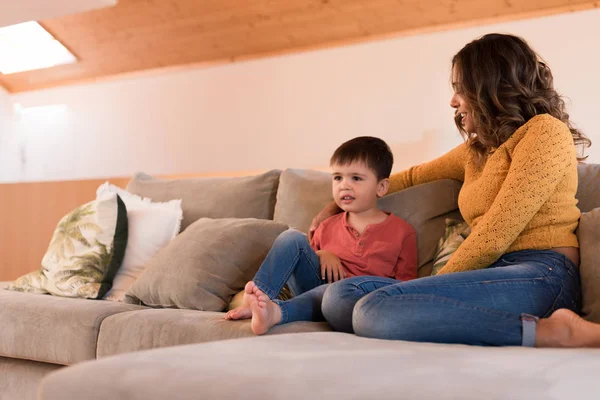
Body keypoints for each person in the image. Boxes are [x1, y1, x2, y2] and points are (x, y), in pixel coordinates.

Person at [312, 33, 600, 348]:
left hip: (542, 273)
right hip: (490, 273)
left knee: (373, 311)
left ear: (488, 85)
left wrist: (431, 287)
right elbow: (409, 177)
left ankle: (555, 331)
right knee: (339, 298)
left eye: (460, 90)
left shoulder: (544, 132)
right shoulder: (475, 151)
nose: (453, 102)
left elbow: (495, 235)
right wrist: (334, 206)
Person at [225, 136, 418, 335]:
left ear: (382, 187)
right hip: (312, 296)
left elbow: (405, 288)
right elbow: (305, 261)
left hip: (356, 302)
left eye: (356, 178)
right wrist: (322, 254)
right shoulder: (326, 226)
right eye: (337, 178)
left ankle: (277, 313)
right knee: (291, 237)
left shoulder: (403, 232)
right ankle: (256, 300)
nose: (344, 185)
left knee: (332, 291)